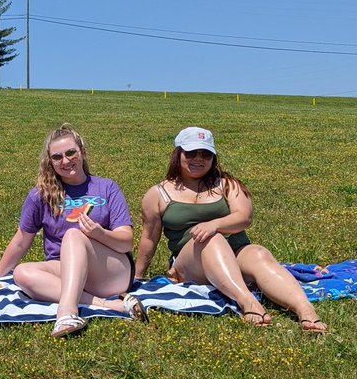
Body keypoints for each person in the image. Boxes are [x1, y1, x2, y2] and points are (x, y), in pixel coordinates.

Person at [135, 127, 327, 333]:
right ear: (178, 154)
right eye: (191, 153)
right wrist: (137, 278)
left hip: (236, 252)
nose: (198, 159)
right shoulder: (158, 194)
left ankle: (306, 311)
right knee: (211, 239)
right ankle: (248, 303)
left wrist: (215, 224)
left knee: (259, 253)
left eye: (206, 154)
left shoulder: (227, 184)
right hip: (191, 263)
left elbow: (244, 218)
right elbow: (149, 237)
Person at [0, 124, 142, 338]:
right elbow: (21, 241)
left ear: (81, 151)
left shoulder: (107, 188)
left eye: (71, 152)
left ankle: (66, 312)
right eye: (57, 157)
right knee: (22, 273)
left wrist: (99, 234)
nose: (65, 160)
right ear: (50, 162)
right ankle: (109, 306)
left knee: (73, 234)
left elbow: (126, 242)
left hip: (111, 271)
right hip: (65, 271)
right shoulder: (40, 196)